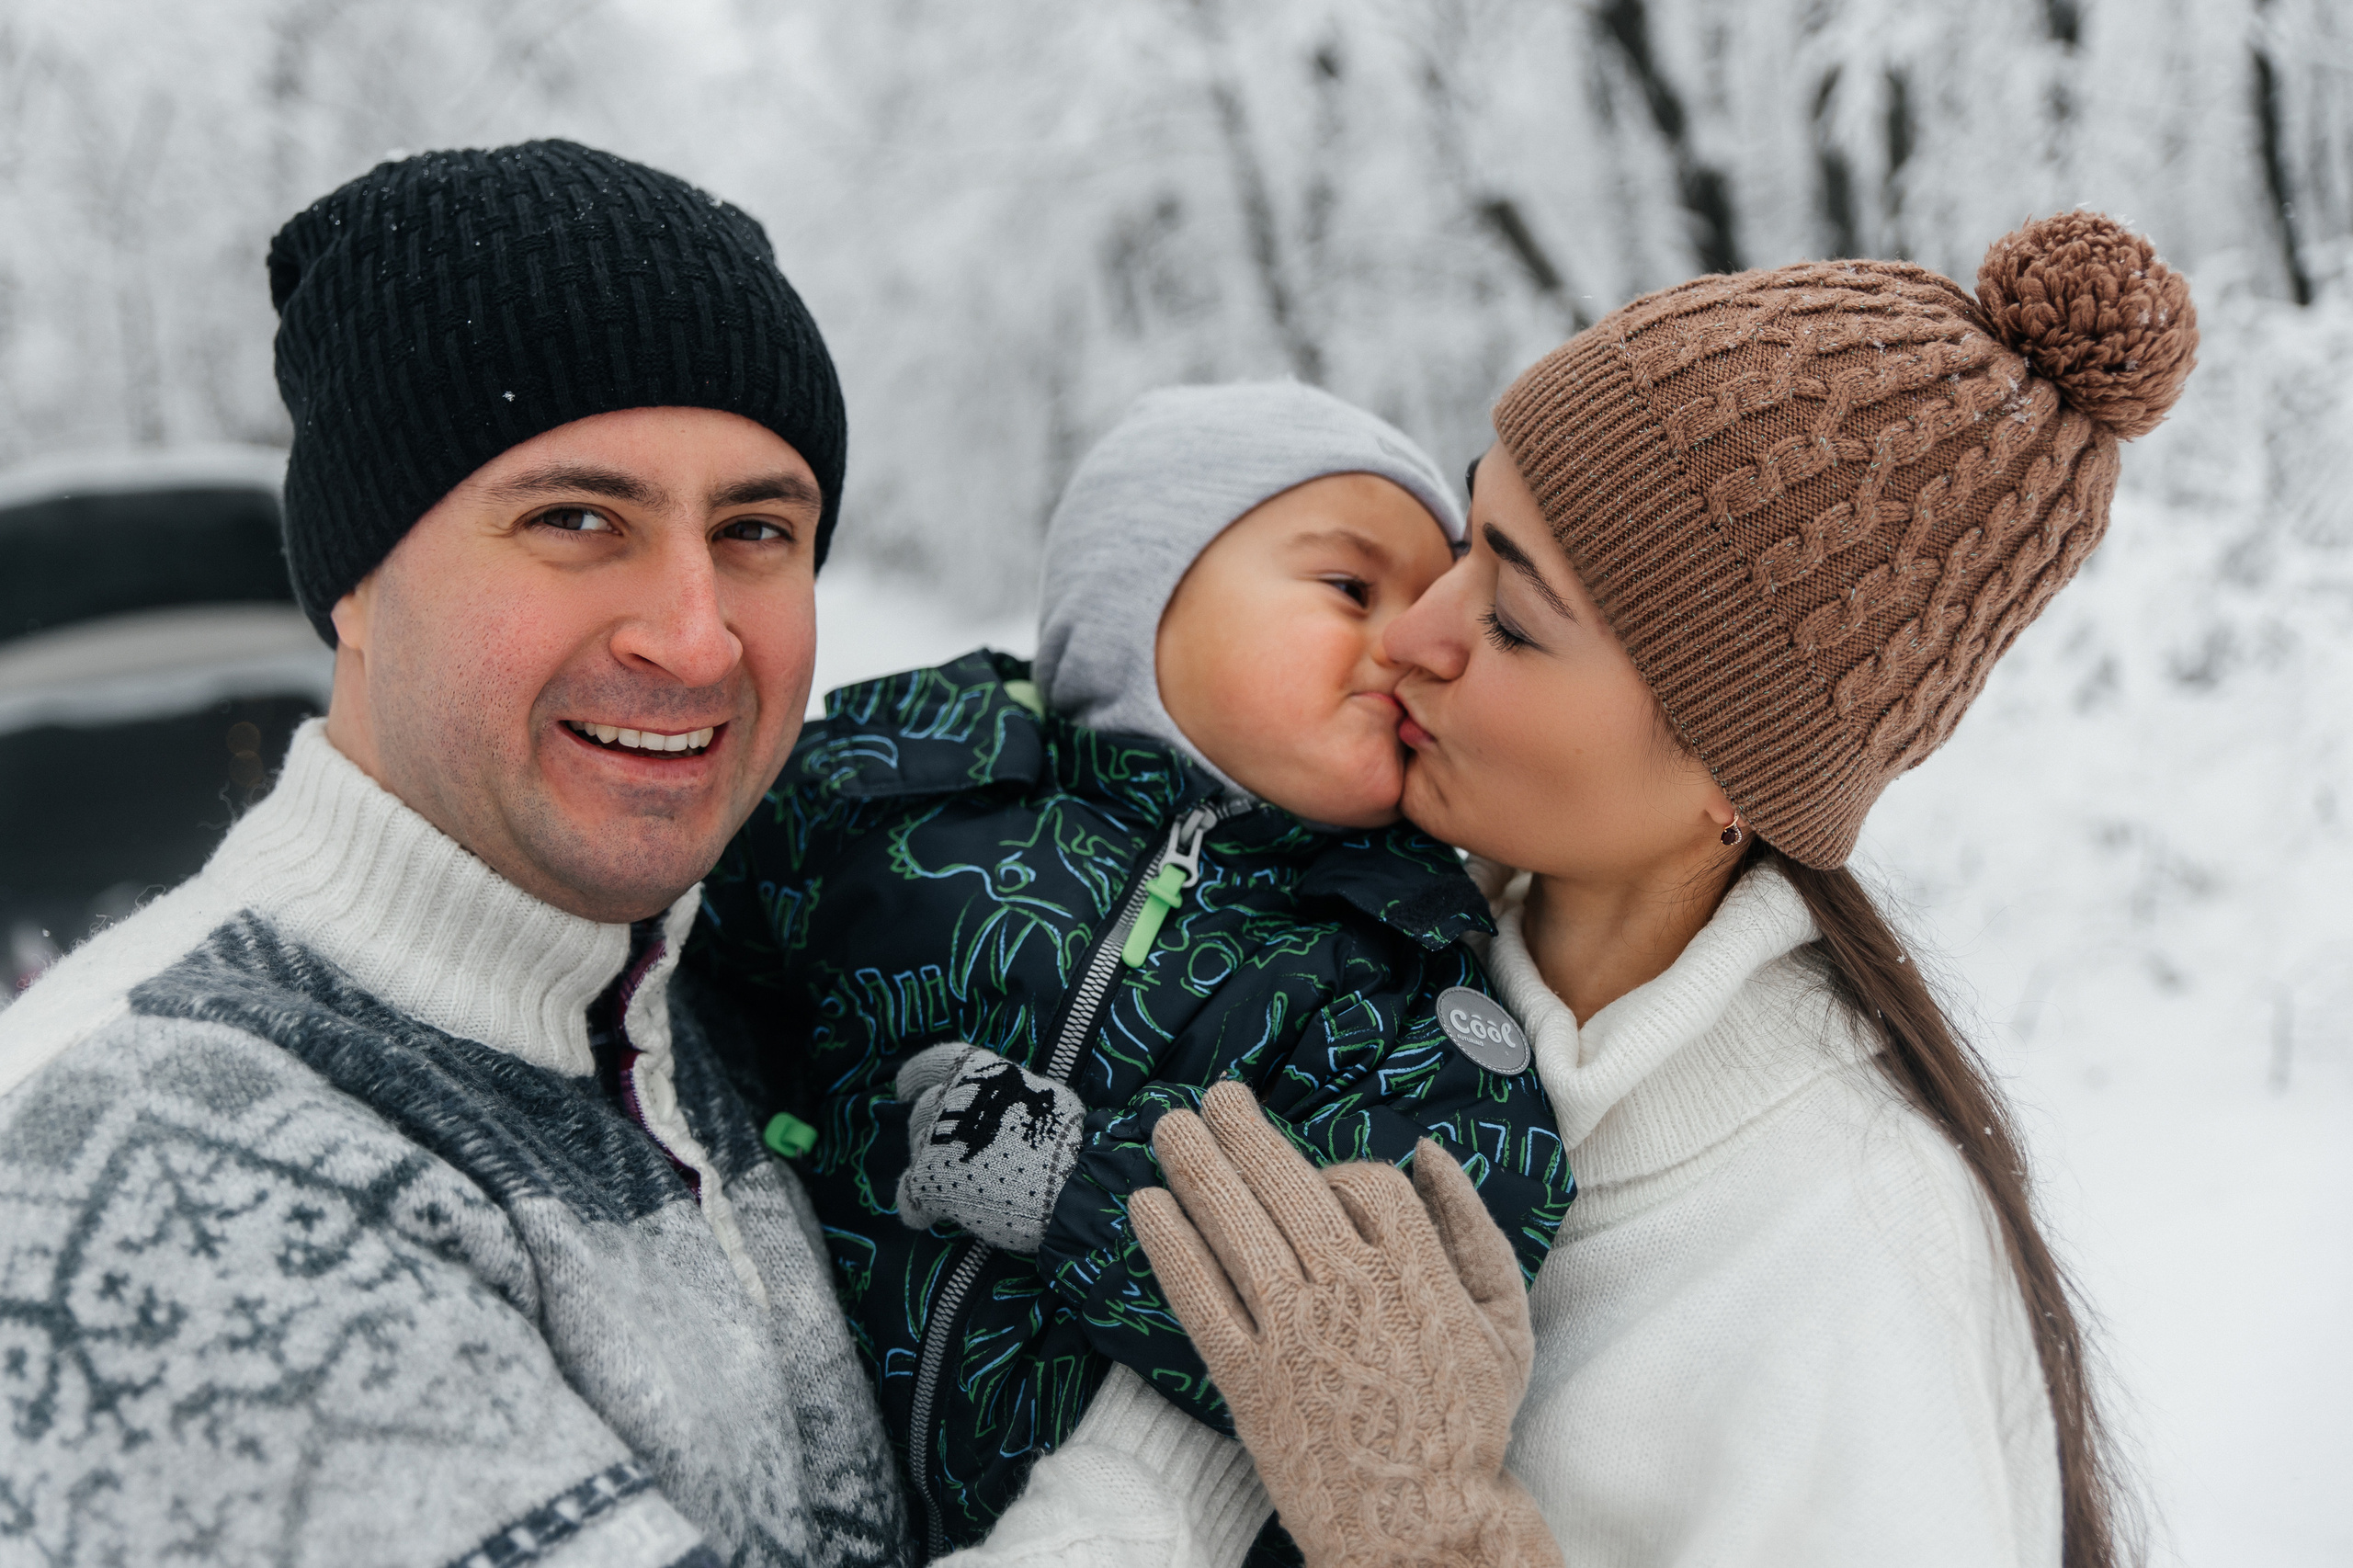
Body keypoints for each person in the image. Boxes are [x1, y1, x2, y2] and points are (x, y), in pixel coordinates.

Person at [2, 140, 1518, 1568]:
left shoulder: (690, 1005)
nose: (693, 633)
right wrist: (1194, 1448)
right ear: (354, 580)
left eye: (757, 530)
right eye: (576, 518)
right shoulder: (162, 1159)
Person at [1134, 211, 2197, 1568]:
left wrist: (1428, 1532)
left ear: (1735, 771)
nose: (1411, 633)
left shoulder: (1845, 1257)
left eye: (1512, 620)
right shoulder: (1370, 980)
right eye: (1470, 540)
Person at [689, 382, 1574, 1554]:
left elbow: (1424, 1306)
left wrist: (1073, 1186)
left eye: (1435, 598)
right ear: (1136, 595)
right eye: (1352, 587)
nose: (1414, 642)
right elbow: (675, 987)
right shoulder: (889, 779)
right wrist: (767, 1141)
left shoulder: (1398, 961)